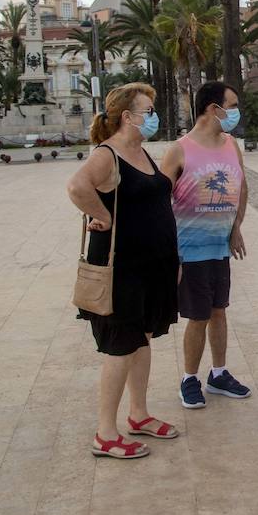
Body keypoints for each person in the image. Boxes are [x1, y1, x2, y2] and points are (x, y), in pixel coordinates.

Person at [67, 83, 180, 459]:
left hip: (153, 266)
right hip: (122, 270)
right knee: (121, 346)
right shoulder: (108, 154)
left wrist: (172, 261)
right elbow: (77, 186)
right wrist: (101, 215)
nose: (154, 116)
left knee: (143, 339)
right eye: (148, 110)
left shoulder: (142, 153)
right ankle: (104, 433)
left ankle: (139, 414)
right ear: (127, 117)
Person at [161, 82, 252, 409]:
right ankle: (189, 378)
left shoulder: (231, 145)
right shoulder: (179, 150)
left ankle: (219, 373)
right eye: (232, 104)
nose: (236, 111)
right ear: (214, 109)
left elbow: (242, 185)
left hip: (220, 248)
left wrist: (236, 226)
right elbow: (158, 202)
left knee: (218, 311)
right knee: (197, 316)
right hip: (191, 250)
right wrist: (170, 254)